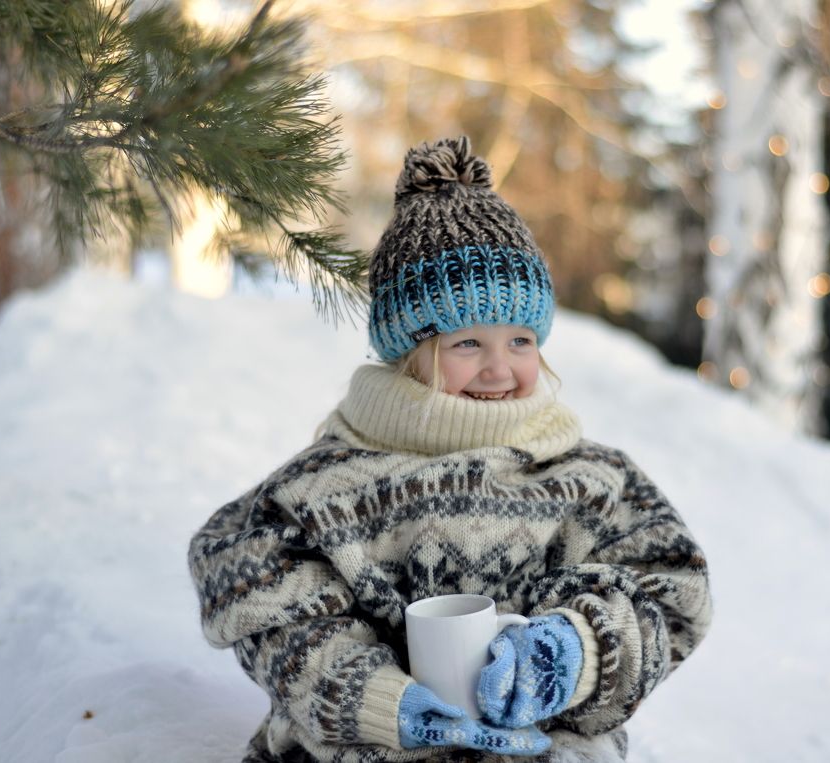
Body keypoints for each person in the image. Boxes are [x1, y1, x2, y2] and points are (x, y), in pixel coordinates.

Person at [188, 136, 712, 763]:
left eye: (520, 340)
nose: (499, 368)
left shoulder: (589, 478)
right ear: (408, 350)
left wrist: (577, 651)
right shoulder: (326, 486)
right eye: (467, 344)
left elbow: (667, 589)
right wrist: (376, 698)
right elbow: (262, 606)